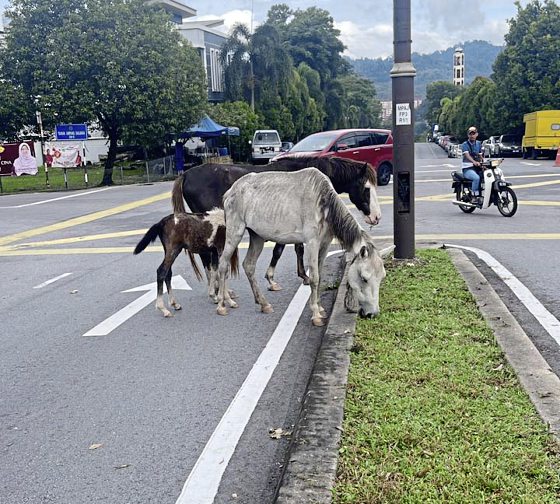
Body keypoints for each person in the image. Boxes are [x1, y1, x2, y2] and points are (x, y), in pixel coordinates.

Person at [461, 126, 484, 204]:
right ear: (468, 135)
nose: (472, 135)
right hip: (468, 168)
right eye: (470, 134)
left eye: (474, 134)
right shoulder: (465, 144)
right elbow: (467, 155)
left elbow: (481, 155)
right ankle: (474, 196)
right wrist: (474, 161)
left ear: (477, 134)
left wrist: (483, 163)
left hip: (477, 167)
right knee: (476, 178)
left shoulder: (478, 144)